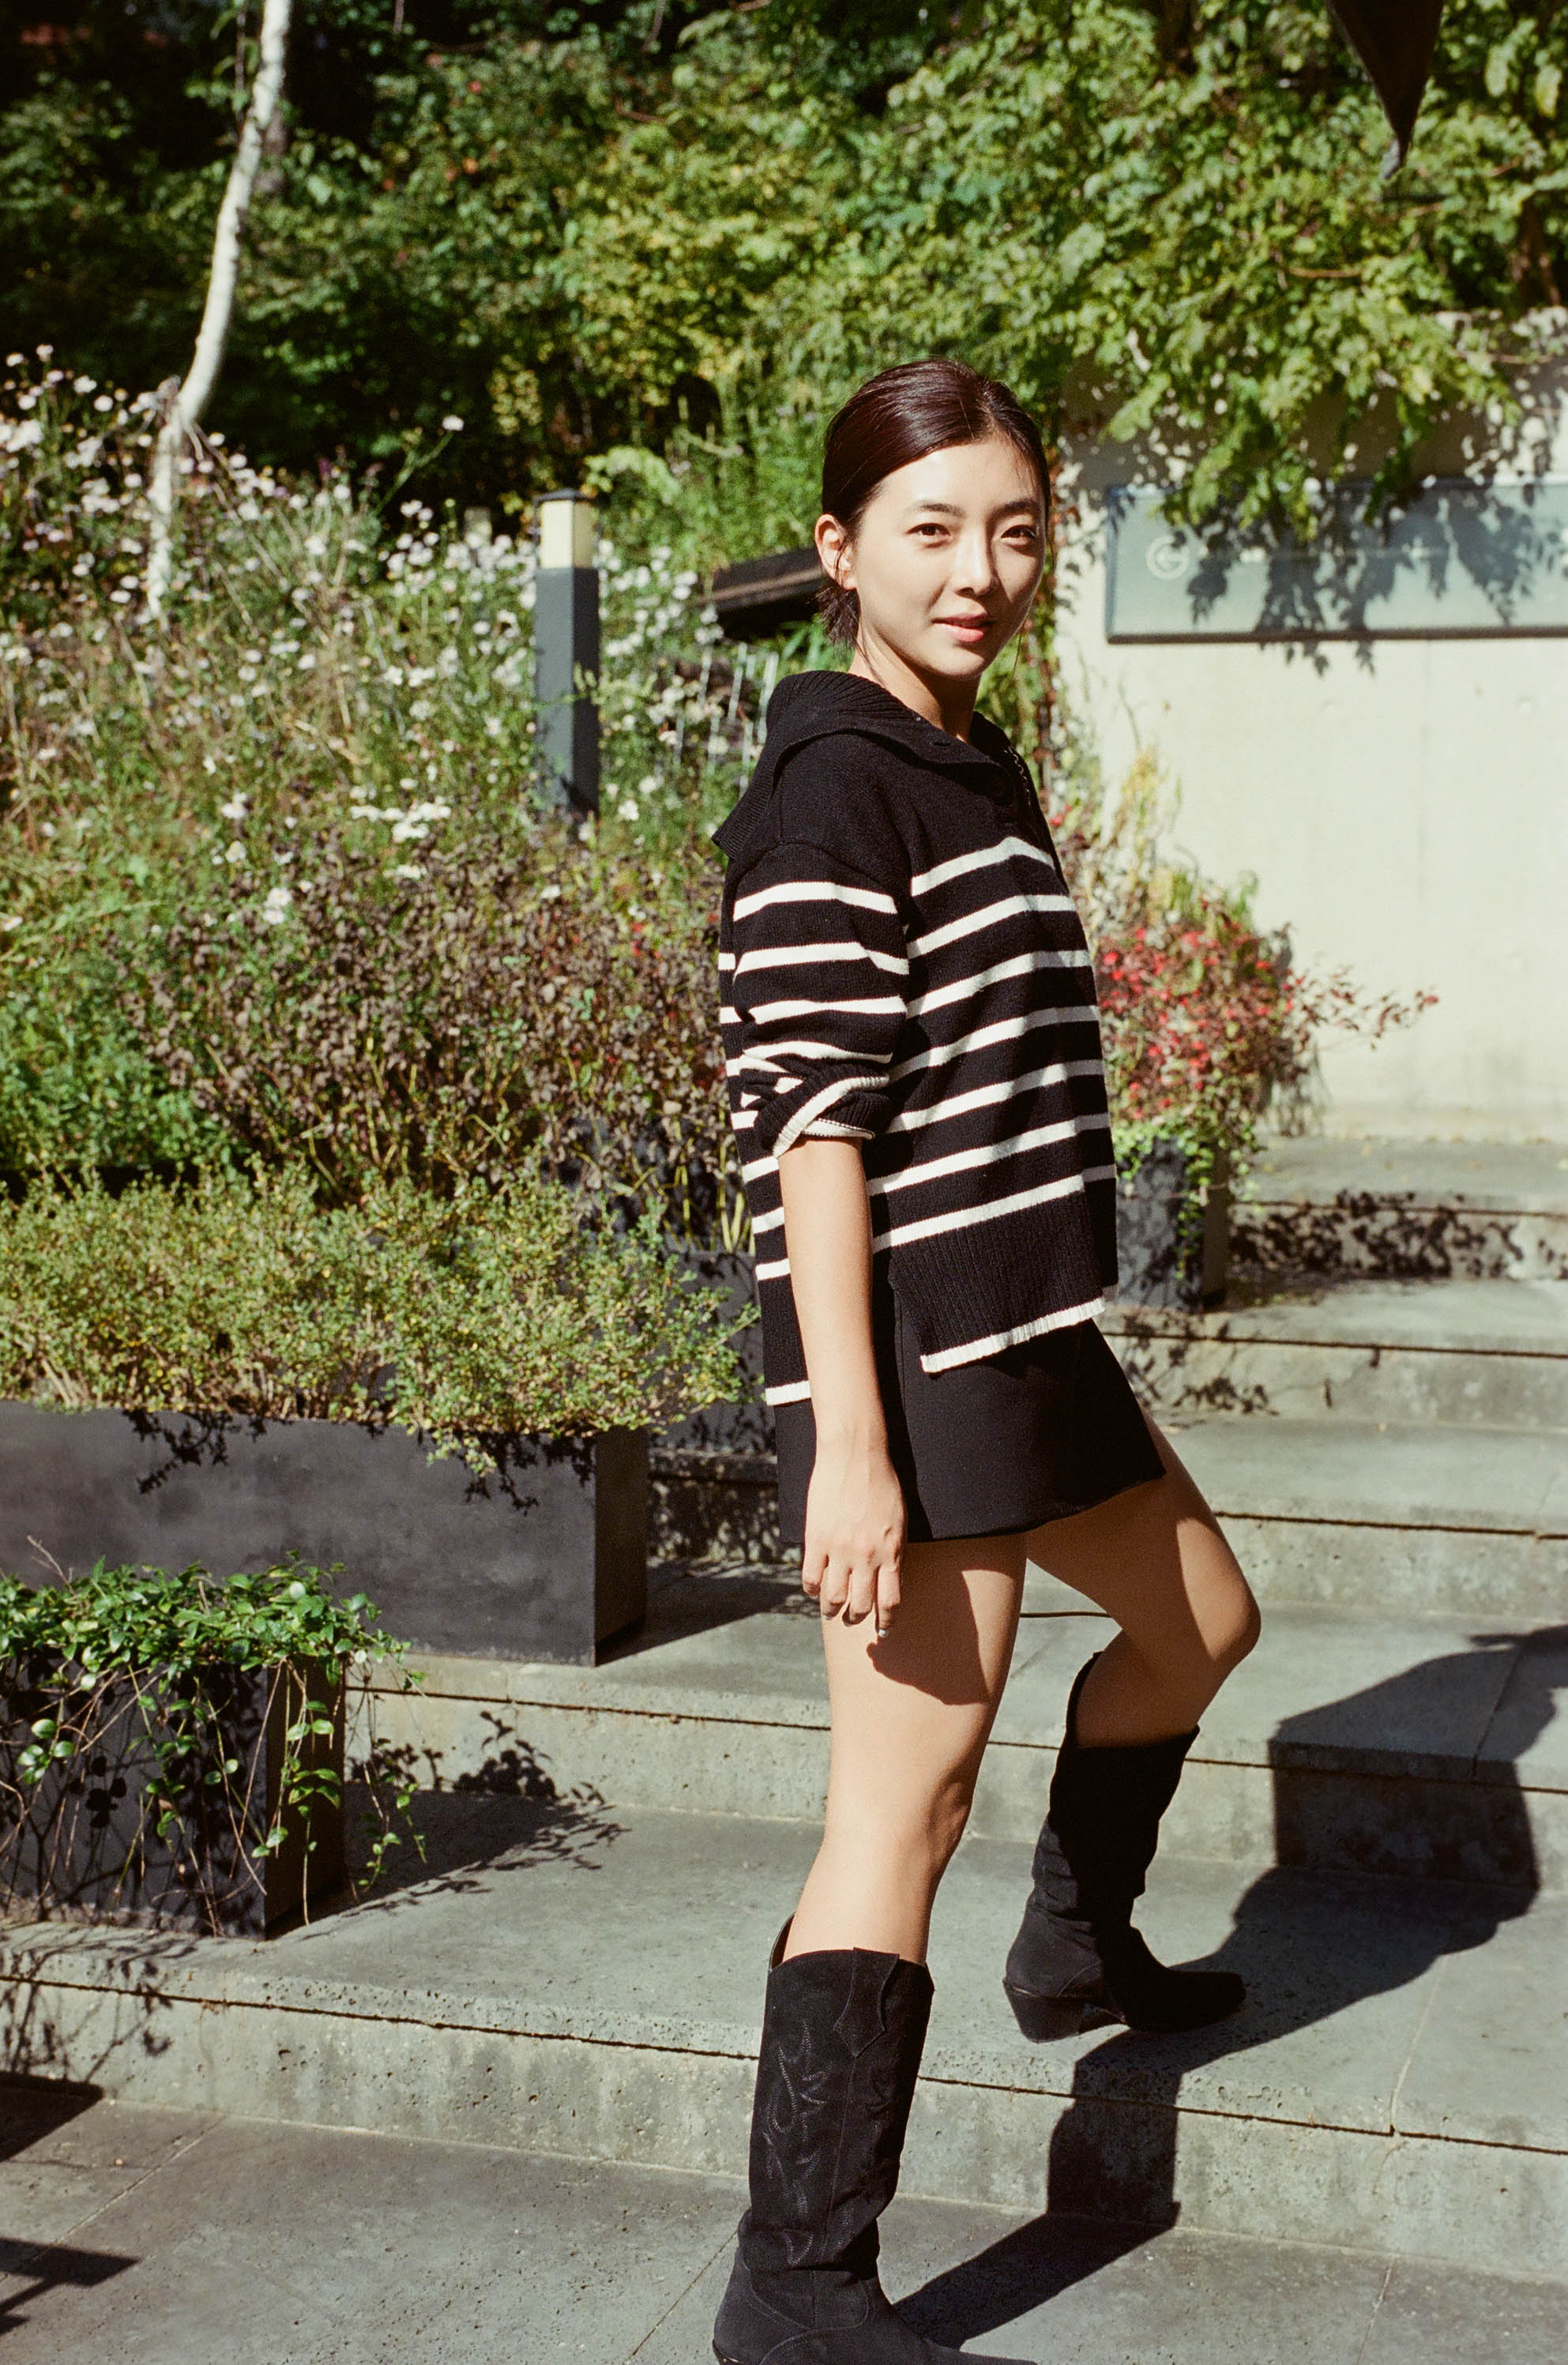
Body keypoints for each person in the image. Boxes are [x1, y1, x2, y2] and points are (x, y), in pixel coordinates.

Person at [707, 358, 1262, 2365]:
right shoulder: (830, 787)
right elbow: (814, 1134)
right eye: (932, 531)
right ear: (839, 551)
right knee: (903, 1801)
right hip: (912, 1357)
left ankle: (1075, 1942)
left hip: (1023, 1334)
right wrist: (852, 1450)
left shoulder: (965, 757)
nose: (981, 571)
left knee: (1202, 1622)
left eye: (1016, 531)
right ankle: (797, 2288)